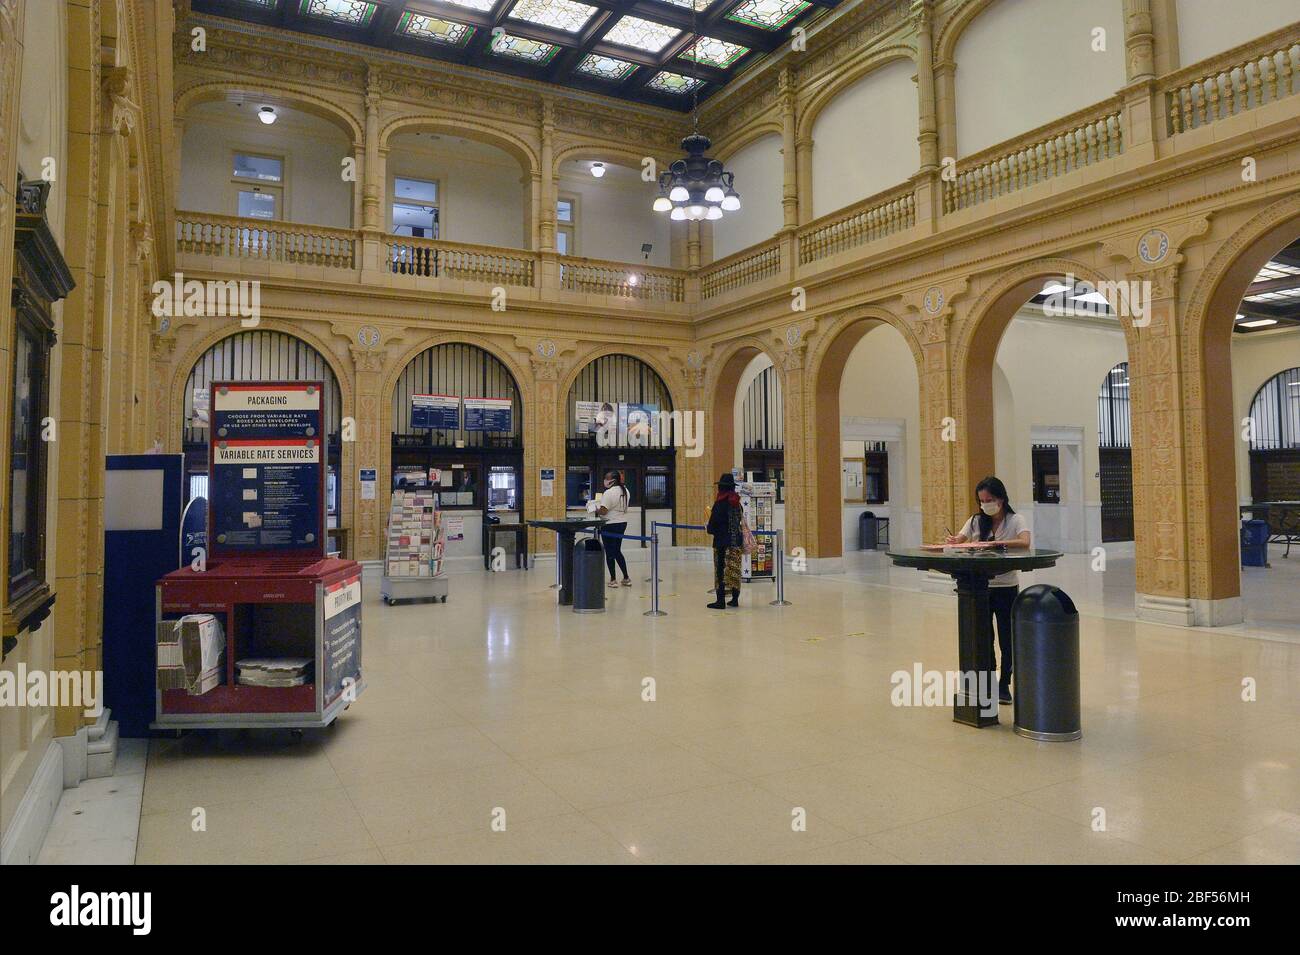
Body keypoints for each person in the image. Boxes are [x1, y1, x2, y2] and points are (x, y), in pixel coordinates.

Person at [945, 475, 1030, 704]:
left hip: (1006, 586)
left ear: (1001, 499)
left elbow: (1025, 542)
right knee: (984, 637)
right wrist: (955, 541)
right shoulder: (975, 521)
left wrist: (996, 544)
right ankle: (990, 681)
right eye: (981, 501)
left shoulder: (1015, 520)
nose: (985, 505)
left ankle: (1005, 683)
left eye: (989, 499)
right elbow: (961, 539)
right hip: (980, 588)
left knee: (1007, 637)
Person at [706, 473, 744, 609]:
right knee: (734, 570)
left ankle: (720, 601)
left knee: (721, 571)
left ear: (721, 488)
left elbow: (712, 527)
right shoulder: (737, 504)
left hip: (722, 543)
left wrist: (708, 527)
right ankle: (734, 599)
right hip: (736, 542)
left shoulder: (720, 504)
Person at [596, 469, 631, 587]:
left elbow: (604, 511)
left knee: (609, 552)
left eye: (607, 478)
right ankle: (626, 577)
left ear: (612, 480)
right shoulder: (625, 491)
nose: (605, 480)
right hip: (622, 523)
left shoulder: (609, 493)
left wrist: (595, 509)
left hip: (609, 524)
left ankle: (613, 579)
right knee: (617, 550)